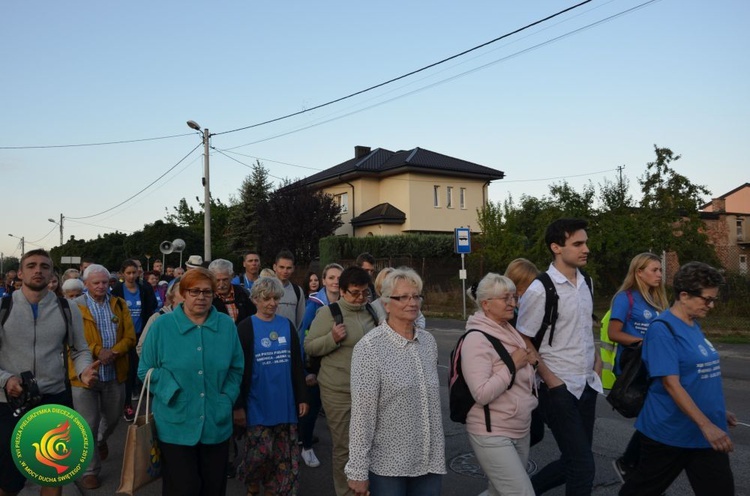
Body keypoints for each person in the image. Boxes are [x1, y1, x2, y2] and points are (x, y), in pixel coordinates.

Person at [620, 262, 736, 496]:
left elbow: (695, 376)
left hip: (705, 432)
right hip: (670, 433)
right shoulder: (662, 329)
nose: (711, 305)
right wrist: (706, 425)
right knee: (640, 491)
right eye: (706, 299)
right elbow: (670, 384)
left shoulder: (693, 325)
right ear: (684, 295)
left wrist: (715, 414)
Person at [0, 249, 98, 496]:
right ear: (20, 273)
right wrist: (5, 380)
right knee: (7, 479)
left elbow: (80, 349)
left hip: (54, 399)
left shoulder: (67, 308)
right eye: (31, 265)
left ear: (52, 274)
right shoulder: (4, 307)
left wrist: (84, 370)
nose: (38, 270)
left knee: (53, 473)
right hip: (10, 401)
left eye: (44, 266)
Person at [515, 218, 602, 496]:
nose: (585, 248)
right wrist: (552, 381)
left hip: (586, 385)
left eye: (585, 242)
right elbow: (524, 338)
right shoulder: (541, 288)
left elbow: (585, 327)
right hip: (558, 388)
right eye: (577, 244)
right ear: (556, 247)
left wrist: (596, 363)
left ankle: (519, 493)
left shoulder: (586, 282)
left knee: (573, 462)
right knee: (583, 466)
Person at [138, 267, 244, 496]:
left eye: (207, 292)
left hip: (216, 422)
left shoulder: (226, 325)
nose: (201, 297)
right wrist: (171, 390)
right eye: (194, 291)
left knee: (213, 487)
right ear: (183, 294)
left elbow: (237, 368)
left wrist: (226, 399)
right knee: (183, 488)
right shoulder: (161, 326)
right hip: (174, 424)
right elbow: (145, 369)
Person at [345, 268, 445, 496]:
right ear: (386, 303)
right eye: (403, 297)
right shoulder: (370, 348)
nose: (412, 302)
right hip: (388, 467)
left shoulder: (428, 342)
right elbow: (362, 415)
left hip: (428, 461)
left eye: (416, 296)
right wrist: (358, 470)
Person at [305, 266, 379, 496]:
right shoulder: (329, 313)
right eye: (355, 292)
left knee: (369, 444)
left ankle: (364, 488)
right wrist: (332, 338)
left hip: (368, 390)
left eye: (365, 292)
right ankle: (345, 491)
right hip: (338, 390)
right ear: (343, 291)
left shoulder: (371, 312)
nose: (360, 298)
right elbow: (309, 346)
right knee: (344, 446)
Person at [462, 273, 538, 496]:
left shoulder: (507, 329)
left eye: (514, 297)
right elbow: (481, 393)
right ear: (486, 304)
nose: (513, 304)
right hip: (491, 431)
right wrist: (513, 364)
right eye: (506, 298)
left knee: (497, 492)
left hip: (519, 427)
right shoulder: (476, 339)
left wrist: (529, 363)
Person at [233, 277, 309, 495]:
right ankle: (252, 482)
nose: (272, 303)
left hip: (285, 405)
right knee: (259, 455)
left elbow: (296, 364)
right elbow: (238, 370)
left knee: (283, 459)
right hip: (257, 405)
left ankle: (272, 490)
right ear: (255, 299)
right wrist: (238, 406)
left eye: (276, 298)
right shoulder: (245, 328)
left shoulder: (286, 326)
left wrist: (302, 396)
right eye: (267, 299)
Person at [72, 263, 136, 490]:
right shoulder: (74, 306)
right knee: (87, 424)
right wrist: (99, 350)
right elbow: (70, 340)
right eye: (95, 283)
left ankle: (100, 440)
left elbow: (130, 336)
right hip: (85, 375)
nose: (101, 286)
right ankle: (90, 471)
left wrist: (115, 351)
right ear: (86, 284)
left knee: (114, 417)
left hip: (114, 372)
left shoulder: (118, 304)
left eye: (104, 282)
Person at [607, 253, 669, 481]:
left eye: (660, 270)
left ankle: (633, 466)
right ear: (638, 272)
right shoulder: (626, 298)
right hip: (636, 370)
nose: (659, 275)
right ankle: (632, 466)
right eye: (654, 270)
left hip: (655, 368)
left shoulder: (658, 301)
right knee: (655, 418)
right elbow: (614, 333)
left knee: (657, 418)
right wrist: (642, 342)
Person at [297, 263, 344, 468]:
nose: (335, 281)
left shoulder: (347, 302)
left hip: (338, 368)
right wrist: (306, 370)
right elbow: (302, 336)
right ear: (323, 281)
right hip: (316, 367)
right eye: (331, 277)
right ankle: (306, 447)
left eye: (338, 278)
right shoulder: (314, 304)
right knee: (312, 408)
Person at [112, 259, 157, 422]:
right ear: (122, 274)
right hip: (125, 336)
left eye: (134, 272)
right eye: (128, 273)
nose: (131, 276)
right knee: (129, 371)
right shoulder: (117, 289)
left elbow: (151, 307)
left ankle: (151, 403)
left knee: (144, 366)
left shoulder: (145, 288)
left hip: (142, 333)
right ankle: (127, 404)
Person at [136, 277, 183, 357]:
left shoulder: (198, 320)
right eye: (183, 292)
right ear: (173, 295)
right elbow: (142, 348)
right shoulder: (157, 318)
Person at [209, 259, 256, 325]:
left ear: (232, 276)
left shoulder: (243, 293)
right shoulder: (207, 297)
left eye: (225, 280)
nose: (221, 284)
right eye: (217, 280)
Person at [273, 250, 305, 329]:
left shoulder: (297, 291)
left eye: (288, 268)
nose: (285, 271)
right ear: (274, 267)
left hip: (290, 338)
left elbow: (300, 321)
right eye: (281, 267)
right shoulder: (265, 289)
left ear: (293, 269)